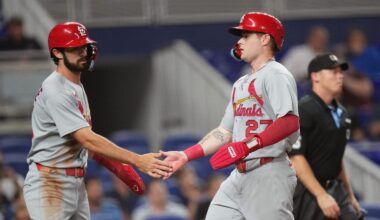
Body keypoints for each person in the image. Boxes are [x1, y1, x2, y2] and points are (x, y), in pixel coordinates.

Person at [22, 22, 172, 220]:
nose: (83, 52)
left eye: (84, 46)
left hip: (72, 181)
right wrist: (137, 160)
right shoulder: (56, 89)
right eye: (75, 48)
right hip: (51, 183)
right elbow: (87, 139)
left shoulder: (75, 85)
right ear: (58, 53)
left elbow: (85, 144)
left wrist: (118, 166)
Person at [162, 12, 300, 219]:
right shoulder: (241, 83)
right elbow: (223, 132)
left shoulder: (276, 74)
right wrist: (186, 155)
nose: (240, 41)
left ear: (265, 39)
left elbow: (290, 121)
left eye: (246, 35)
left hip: (269, 171)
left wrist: (247, 145)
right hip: (240, 175)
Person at [289, 53, 362, 220]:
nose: (340, 76)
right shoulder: (304, 109)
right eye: (333, 72)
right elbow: (296, 158)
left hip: (336, 189)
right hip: (307, 192)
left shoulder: (342, 112)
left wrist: (350, 195)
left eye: (340, 72)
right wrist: (321, 196)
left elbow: (336, 157)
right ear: (315, 76)